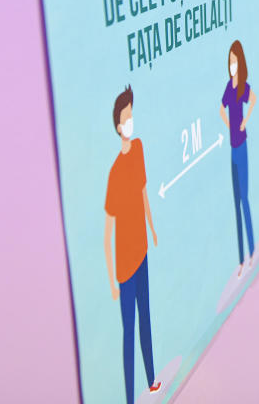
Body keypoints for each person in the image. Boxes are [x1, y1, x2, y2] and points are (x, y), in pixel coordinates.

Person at [104, 86, 162, 402]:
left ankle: (152, 380)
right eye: (127, 118)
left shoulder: (139, 148)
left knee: (146, 317)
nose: (131, 122)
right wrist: (113, 279)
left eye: (132, 115)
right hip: (125, 266)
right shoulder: (113, 173)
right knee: (128, 332)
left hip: (142, 251)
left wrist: (151, 229)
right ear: (118, 126)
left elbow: (143, 193)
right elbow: (107, 232)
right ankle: (128, 398)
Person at [219, 40, 257, 276]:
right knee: (235, 202)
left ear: (240, 63)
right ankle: (241, 259)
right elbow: (221, 108)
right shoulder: (229, 87)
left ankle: (252, 252)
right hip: (232, 147)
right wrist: (229, 124)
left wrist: (244, 122)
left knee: (244, 199)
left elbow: (253, 101)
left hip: (241, 146)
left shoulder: (242, 87)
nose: (232, 66)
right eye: (230, 62)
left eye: (235, 62)